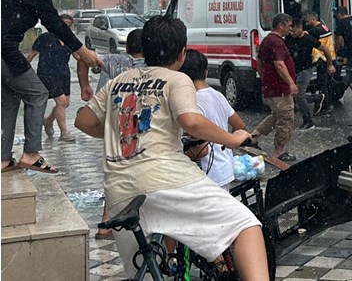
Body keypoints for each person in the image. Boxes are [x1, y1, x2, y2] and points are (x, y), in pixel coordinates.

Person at [74, 16, 268, 280]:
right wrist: (232, 139)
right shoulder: (176, 79)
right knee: (245, 225)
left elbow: (83, 121)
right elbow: (190, 121)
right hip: (167, 180)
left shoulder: (117, 82)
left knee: (145, 272)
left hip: (119, 191)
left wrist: (126, 134)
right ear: (182, 53)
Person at [2, 0, 102, 174]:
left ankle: (3, 159)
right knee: (38, 93)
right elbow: (56, 25)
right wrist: (83, 52)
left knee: (10, 98)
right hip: (5, 50)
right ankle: (31, 154)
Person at [77, 28, 146, 241]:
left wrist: (84, 85)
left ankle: (106, 225)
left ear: (128, 47)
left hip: (115, 122)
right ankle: (124, 222)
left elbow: (82, 56)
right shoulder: (151, 65)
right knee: (137, 171)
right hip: (139, 127)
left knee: (116, 171)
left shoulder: (115, 60)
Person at [179, 49, 246, 188]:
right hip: (225, 168)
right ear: (206, 72)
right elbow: (239, 125)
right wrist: (226, 144)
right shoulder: (218, 95)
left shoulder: (191, 101)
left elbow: (201, 149)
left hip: (207, 174)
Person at [248, 13, 298, 162]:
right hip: (280, 89)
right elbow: (279, 64)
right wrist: (291, 83)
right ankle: (279, 151)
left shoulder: (266, 40)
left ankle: (253, 137)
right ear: (281, 25)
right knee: (285, 118)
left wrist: (265, 79)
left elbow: (259, 62)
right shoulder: (277, 43)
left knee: (276, 115)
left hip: (271, 87)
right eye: (289, 26)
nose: (290, 29)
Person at [25, 14, 77, 143]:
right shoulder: (45, 38)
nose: (66, 27)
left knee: (65, 103)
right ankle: (64, 133)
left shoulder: (70, 40)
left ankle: (48, 121)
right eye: (64, 24)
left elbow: (79, 55)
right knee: (61, 102)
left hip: (64, 74)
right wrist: (21, 72)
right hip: (47, 74)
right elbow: (31, 55)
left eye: (69, 25)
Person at [285, 19, 319, 130]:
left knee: (299, 95)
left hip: (305, 70)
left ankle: (308, 121)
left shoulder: (308, 39)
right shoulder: (289, 39)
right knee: (292, 95)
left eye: (294, 31)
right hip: (294, 70)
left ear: (300, 28)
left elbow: (325, 49)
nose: (292, 33)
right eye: (290, 31)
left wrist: (329, 64)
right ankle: (316, 98)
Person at [303, 13, 336, 112]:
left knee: (323, 84)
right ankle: (329, 103)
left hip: (323, 58)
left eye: (308, 21)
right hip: (330, 56)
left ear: (313, 19)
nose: (306, 24)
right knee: (328, 83)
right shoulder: (324, 26)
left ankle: (325, 106)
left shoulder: (315, 30)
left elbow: (304, 34)